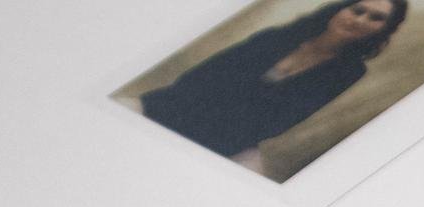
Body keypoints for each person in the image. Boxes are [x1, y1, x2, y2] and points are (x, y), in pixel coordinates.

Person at [140, 0, 409, 167]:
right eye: (358, 9)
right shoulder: (278, 36)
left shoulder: (349, 71)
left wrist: (226, 135)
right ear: (339, 9)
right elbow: (202, 77)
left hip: (230, 135)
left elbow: (284, 118)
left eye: (376, 18)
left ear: (384, 30)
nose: (361, 20)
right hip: (181, 105)